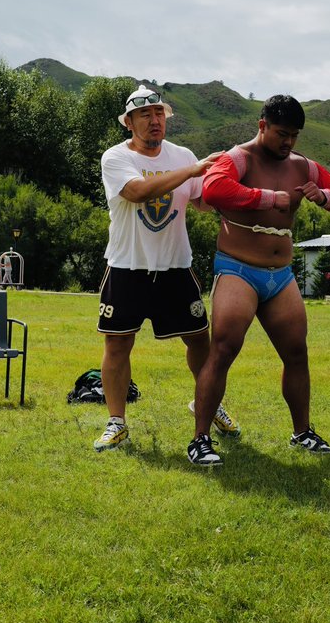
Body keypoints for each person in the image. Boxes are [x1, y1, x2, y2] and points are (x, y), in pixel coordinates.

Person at [187, 94, 330, 466]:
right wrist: (265, 198)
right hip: (238, 269)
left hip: (281, 276)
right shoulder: (239, 157)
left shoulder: (303, 166)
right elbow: (213, 189)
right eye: (281, 133)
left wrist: (323, 196)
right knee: (224, 349)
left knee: (297, 352)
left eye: (294, 135)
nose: (288, 142)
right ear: (262, 126)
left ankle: (302, 432)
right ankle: (200, 440)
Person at [93, 85, 238, 451]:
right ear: (129, 122)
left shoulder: (182, 155)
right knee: (117, 345)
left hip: (175, 266)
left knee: (199, 342)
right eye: (145, 115)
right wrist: (193, 169)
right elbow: (139, 192)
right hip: (128, 266)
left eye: (159, 114)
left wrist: (240, 194)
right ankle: (116, 422)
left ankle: (208, 404)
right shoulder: (114, 158)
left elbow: (203, 202)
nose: (155, 121)